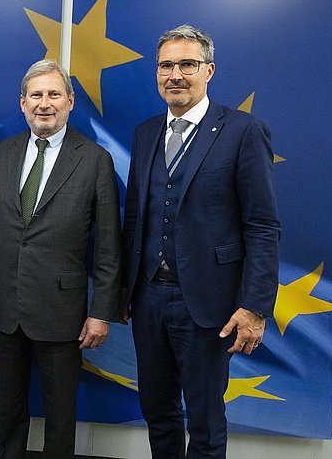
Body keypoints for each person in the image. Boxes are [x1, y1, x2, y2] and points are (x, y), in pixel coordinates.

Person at [122, 24, 281, 458]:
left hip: (211, 305)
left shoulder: (244, 131)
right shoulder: (145, 133)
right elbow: (135, 216)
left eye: (187, 65)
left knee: (206, 421)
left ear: (208, 70)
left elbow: (263, 226)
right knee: (157, 412)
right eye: (166, 66)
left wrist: (255, 307)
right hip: (149, 298)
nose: (176, 74)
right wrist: (122, 290)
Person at [0, 59, 123, 458]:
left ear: (70, 101)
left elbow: (108, 247)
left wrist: (102, 311)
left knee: (59, 414)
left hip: (63, 312)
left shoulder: (94, 160)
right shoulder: (1, 155)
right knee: (8, 408)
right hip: (3, 306)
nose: (44, 103)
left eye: (54, 94)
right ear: (22, 103)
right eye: (35, 95)